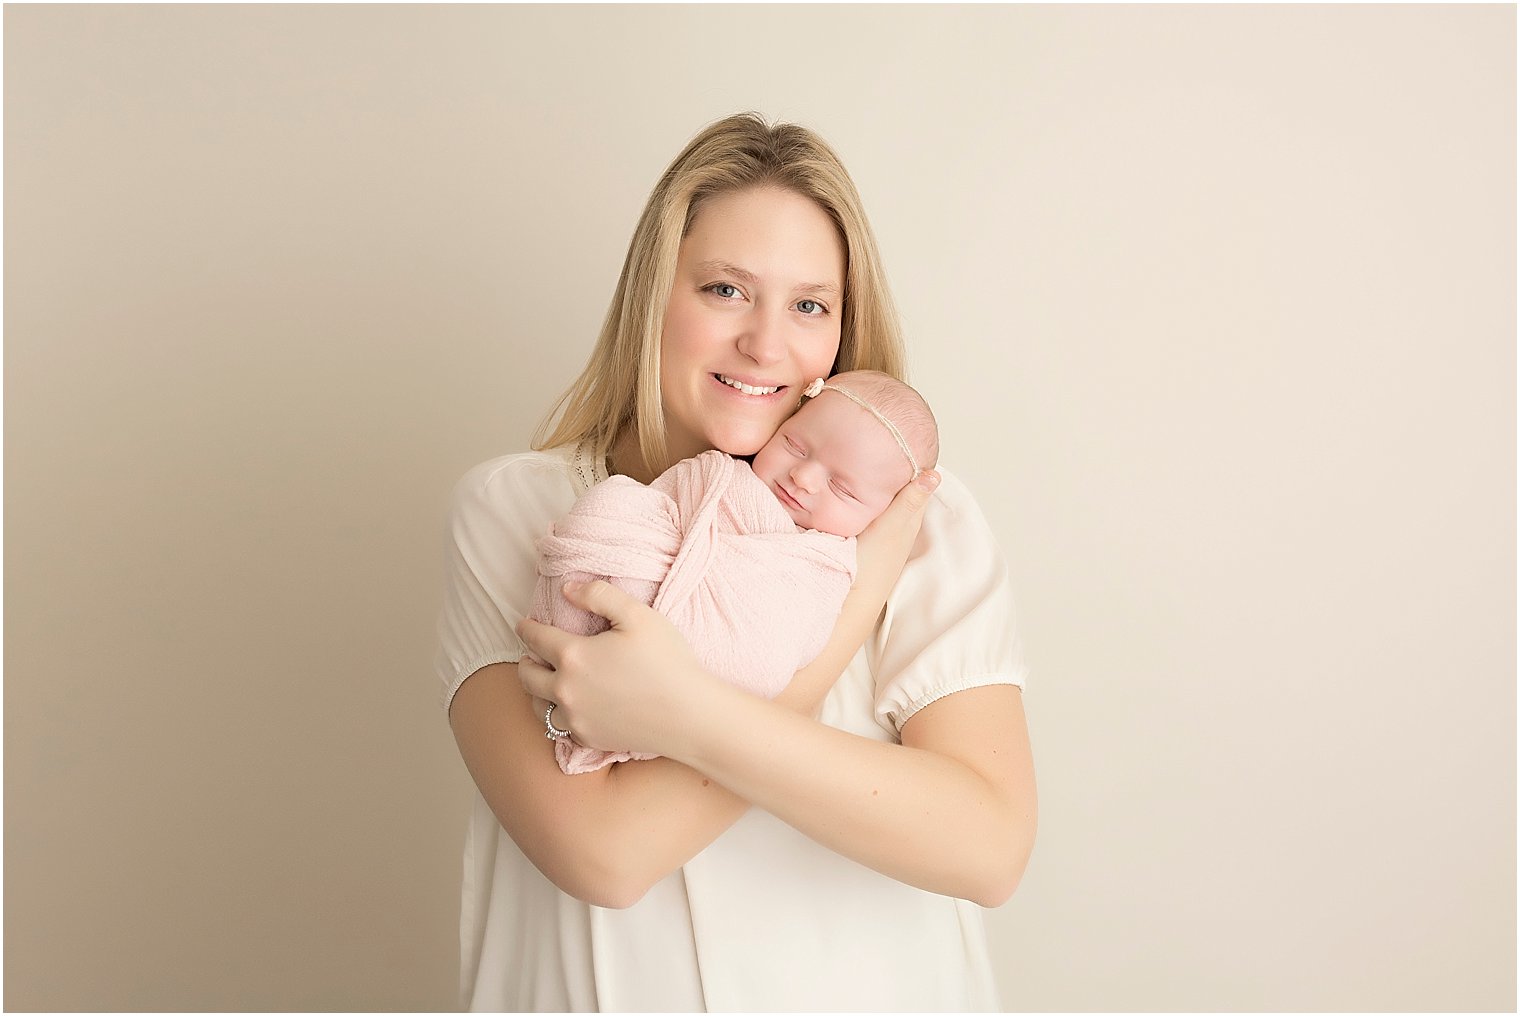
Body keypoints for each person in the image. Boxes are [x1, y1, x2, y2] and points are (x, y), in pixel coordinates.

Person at [438, 112, 1036, 1012]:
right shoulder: (516, 512)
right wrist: (835, 641)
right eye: (724, 290)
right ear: (654, 297)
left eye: (809, 305)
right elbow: (604, 855)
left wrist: (683, 712)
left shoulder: (919, 523)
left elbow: (988, 850)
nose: (766, 345)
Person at [533, 370, 939, 775]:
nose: (803, 477)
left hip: (697, 665)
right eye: (794, 445)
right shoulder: (721, 476)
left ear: (885, 515)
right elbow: (661, 502)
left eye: (843, 488)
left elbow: (773, 651)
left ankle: (637, 693)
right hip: (623, 581)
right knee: (611, 502)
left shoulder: (826, 565)